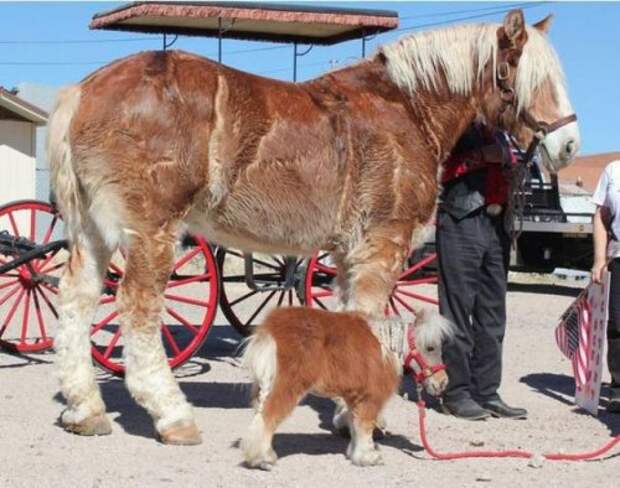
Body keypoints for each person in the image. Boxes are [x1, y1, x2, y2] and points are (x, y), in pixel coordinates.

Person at [436, 121, 528, 420]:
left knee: (493, 314)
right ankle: (457, 393)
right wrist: (482, 157)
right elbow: (439, 170)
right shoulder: (457, 126)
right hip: (462, 219)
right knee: (458, 310)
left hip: (496, 225)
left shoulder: (501, 135)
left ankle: (487, 391)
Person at [590, 159, 620, 413]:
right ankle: (618, 388)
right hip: (619, 256)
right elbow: (601, 215)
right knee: (618, 324)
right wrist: (599, 259)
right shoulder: (613, 170)